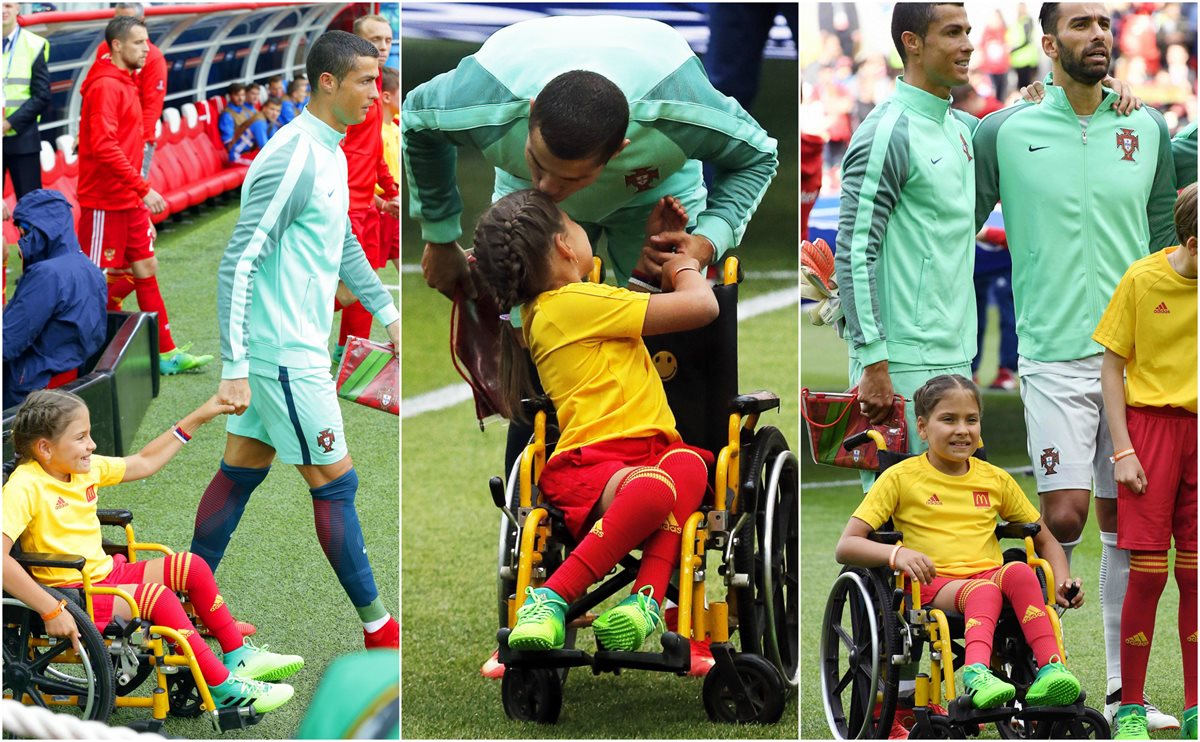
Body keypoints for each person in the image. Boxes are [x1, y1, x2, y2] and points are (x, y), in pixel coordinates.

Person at [972, 4, 1178, 728]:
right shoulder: (1004, 128)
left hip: (1137, 360)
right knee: (1062, 514)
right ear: (1049, 42)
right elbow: (954, 219)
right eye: (1082, 23)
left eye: (1105, 21)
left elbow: (1166, 242)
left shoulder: (1147, 127)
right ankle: (1029, 658)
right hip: (1054, 352)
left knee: (1129, 524)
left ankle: (1124, 692)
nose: (1099, 33)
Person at [191, 30, 401, 650]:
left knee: (238, 473)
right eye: (366, 80)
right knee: (337, 484)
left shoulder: (332, 148)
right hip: (284, 355)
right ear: (328, 83)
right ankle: (380, 631)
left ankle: (181, 602)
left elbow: (338, 242)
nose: (377, 91)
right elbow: (239, 261)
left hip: (284, 350)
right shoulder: (293, 156)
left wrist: (387, 309)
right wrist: (235, 365)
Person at [472, 188, 718, 656]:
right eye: (576, 225)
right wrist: (684, 266)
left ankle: (644, 602)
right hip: (599, 463)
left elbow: (617, 323)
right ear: (565, 245)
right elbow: (702, 308)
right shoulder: (573, 302)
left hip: (649, 456)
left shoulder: (549, 311)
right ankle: (550, 598)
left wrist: (648, 265)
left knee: (689, 465)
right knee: (657, 488)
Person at [403, 13, 777, 296]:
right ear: (532, 112)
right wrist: (439, 237)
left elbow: (758, 157)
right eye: (537, 161)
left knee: (671, 349)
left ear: (619, 150)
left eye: (571, 178)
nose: (547, 189)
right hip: (521, 198)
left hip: (656, 197)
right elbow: (416, 124)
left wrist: (708, 240)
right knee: (528, 337)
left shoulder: (680, 112)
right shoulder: (483, 101)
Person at [2, 390, 301, 712]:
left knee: (192, 566)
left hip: (102, 573)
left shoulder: (82, 468)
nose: (92, 445)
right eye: (81, 437)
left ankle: (239, 655)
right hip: (72, 591)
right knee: (158, 597)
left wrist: (202, 413)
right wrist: (50, 609)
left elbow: (144, 462)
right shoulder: (24, 486)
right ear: (45, 448)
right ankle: (219, 686)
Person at [835, 374, 1085, 711]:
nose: (962, 430)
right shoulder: (900, 477)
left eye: (971, 420)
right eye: (948, 420)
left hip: (987, 575)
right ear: (922, 428)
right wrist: (897, 553)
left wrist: (1062, 580)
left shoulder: (995, 479)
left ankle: (1052, 669)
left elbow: (1046, 540)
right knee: (985, 591)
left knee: (1022, 574)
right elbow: (847, 546)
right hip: (933, 583)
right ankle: (977, 674)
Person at [834, 4, 981, 495]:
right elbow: (855, 249)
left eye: (968, 32)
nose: (968, 44)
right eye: (952, 33)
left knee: (953, 526)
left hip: (957, 355)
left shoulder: (960, 130)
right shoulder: (886, 131)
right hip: (899, 364)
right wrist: (873, 360)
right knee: (901, 533)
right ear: (912, 42)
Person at [1094, 183, 1197, 740]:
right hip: (1151, 433)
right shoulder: (1142, 279)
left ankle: (1196, 705)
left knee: (1196, 575)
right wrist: (1124, 448)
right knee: (1150, 576)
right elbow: (1112, 366)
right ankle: (1129, 706)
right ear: (1192, 242)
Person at [77, 15, 211, 376]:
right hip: (105, 200)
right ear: (117, 46)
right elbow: (104, 146)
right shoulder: (106, 85)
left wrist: (137, 191)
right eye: (139, 43)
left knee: (145, 266)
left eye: (147, 42)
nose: (146, 49)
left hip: (128, 196)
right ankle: (82, 356)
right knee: (93, 279)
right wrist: (143, 187)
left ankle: (165, 352)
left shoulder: (124, 80)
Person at [333, 13, 400, 362]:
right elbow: (337, 148)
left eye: (389, 40)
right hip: (346, 206)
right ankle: (287, 332)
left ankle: (348, 350)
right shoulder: (347, 87)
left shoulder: (372, 86)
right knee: (352, 288)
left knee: (363, 282)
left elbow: (372, 150)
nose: (384, 47)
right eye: (376, 40)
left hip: (365, 205)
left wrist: (387, 193)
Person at [3, 189, 106, 409]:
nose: (21, 242)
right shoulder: (89, 267)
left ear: (38, 231)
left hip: (34, 388)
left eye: (23, 233)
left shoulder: (47, 274)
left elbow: (8, 342)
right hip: (68, 376)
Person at [2, 1, 50, 199]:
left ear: (18, 8)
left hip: (23, 140)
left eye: (7, 5)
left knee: (30, 208)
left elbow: (42, 96)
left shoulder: (34, 44)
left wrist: (8, 124)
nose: (2, 11)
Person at [377, 65, 400, 271]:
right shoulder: (376, 132)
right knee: (367, 274)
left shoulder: (394, 127)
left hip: (394, 205)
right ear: (385, 97)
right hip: (379, 208)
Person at [226, 96, 282, 165]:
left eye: (278, 111)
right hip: (236, 157)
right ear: (264, 108)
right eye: (272, 109)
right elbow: (264, 148)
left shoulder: (270, 122)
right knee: (268, 165)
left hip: (247, 155)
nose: (275, 113)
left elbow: (274, 142)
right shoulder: (259, 122)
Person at [217, 82, 255, 154]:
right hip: (240, 152)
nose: (240, 98)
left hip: (252, 145)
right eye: (237, 95)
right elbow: (229, 142)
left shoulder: (245, 109)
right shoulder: (227, 115)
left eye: (243, 95)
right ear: (230, 96)